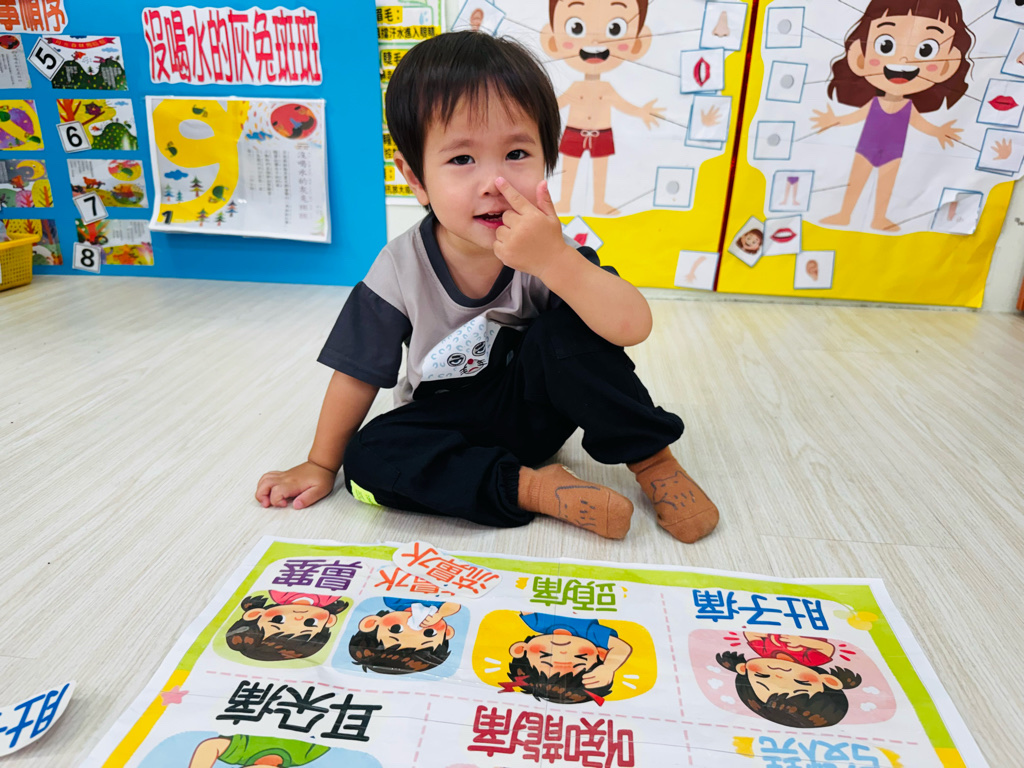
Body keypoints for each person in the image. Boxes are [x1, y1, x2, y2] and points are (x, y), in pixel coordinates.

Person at [255, 31, 719, 544]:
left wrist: (556, 262)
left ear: (547, 158)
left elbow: (631, 327)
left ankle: (654, 464)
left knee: (568, 333)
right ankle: (533, 489)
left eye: (517, 153)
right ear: (415, 177)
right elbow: (356, 375)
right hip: (445, 424)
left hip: (538, 415)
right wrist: (321, 464)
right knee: (366, 460)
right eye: (462, 160)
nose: (494, 183)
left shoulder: (550, 250)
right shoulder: (399, 266)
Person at [812, 0, 973, 232]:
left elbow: (920, 124)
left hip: (893, 153)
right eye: (885, 45)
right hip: (866, 149)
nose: (904, 61)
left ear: (948, 64)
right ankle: (845, 213)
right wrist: (834, 120)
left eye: (925, 50)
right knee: (856, 181)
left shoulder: (907, 106)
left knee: (885, 187)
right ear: (859, 57)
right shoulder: (875, 103)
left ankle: (879, 218)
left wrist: (938, 131)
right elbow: (856, 117)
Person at [716, 633, 863, 728]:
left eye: (762, 676)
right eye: (801, 683)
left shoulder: (764, 648)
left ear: (744, 668)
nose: (779, 676)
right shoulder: (812, 658)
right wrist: (800, 641)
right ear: (828, 681)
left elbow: (750, 632)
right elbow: (826, 648)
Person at [503, 611, 632, 705]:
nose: (562, 652)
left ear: (520, 649)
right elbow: (622, 648)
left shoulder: (536, 622)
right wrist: (608, 668)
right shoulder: (590, 632)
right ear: (601, 653)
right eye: (580, 658)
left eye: (546, 655)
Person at [348, 598, 460, 674]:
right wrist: (441, 614)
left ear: (372, 623)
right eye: (429, 633)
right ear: (447, 632)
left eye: (396, 629)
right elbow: (456, 602)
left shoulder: (393, 600)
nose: (414, 629)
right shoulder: (442, 610)